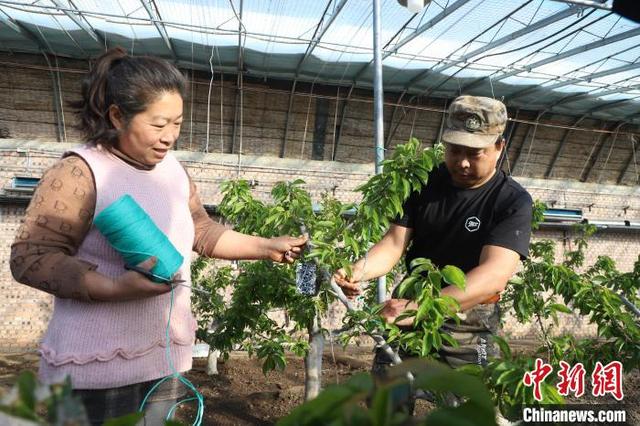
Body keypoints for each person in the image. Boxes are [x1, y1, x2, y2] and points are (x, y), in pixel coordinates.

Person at [9, 47, 307, 425]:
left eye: (177, 124)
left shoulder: (174, 172)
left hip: (161, 361)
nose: (169, 137)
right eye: (158, 124)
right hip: (94, 374)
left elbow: (201, 231)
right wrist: (114, 288)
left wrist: (266, 247)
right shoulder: (80, 172)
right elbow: (31, 257)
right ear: (117, 115)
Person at [334, 95, 533, 411]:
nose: (462, 162)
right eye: (454, 150)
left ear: (499, 147)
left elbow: (492, 277)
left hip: (469, 323)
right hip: (409, 307)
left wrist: (419, 310)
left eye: (474, 153)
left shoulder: (512, 202)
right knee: (386, 402)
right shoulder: (423, 184)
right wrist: (357, 269)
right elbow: (394, 244)